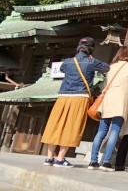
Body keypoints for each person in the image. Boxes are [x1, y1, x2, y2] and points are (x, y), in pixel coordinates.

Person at [42, 37, 110, 167]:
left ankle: (49, 158)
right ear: (91, 49)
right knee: (71, 127)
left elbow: (62, 69)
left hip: (63, 97)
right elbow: (107, 68)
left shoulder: (68, 62)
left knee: (55, 125)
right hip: (80, 97)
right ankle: (60, 159)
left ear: (78, 48)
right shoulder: (92, 62)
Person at [89, 46, 128, 171]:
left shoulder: (111, 66)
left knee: (101, 132)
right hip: (120, 102)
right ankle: (106, 162)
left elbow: (105, 84)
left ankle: (93, 161)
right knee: (115, 131)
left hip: (107, 102)